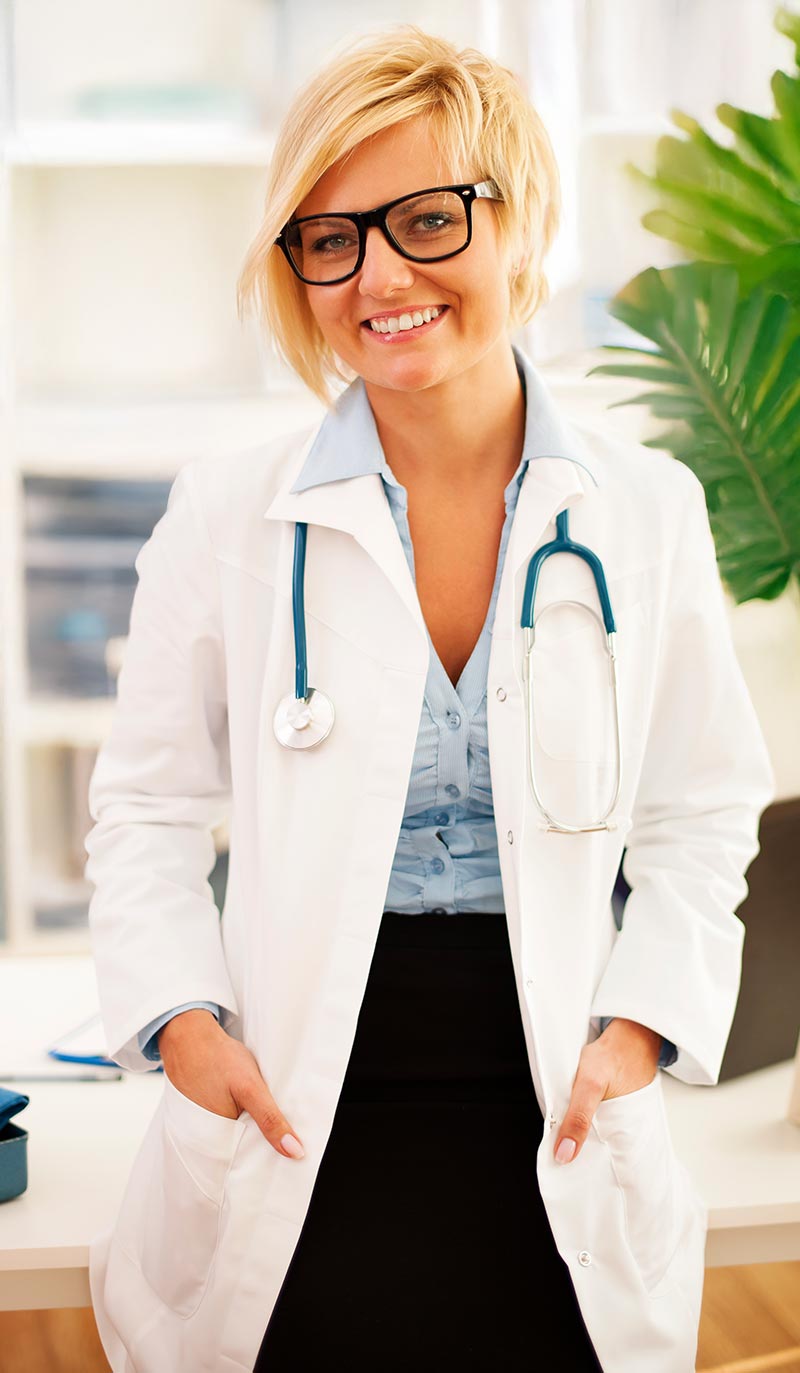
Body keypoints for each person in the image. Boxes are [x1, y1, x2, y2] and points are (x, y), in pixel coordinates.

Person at [85, 25, 775, 1373]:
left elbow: (701, 807)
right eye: (329, 238)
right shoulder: (227, 514)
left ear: (518, 222)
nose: (379, 277)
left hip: (561, 1089)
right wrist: (183, 1024)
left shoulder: (644, 507)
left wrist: (639, 1030)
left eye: (425, 218)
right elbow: (146, 810)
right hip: (292, 1097)